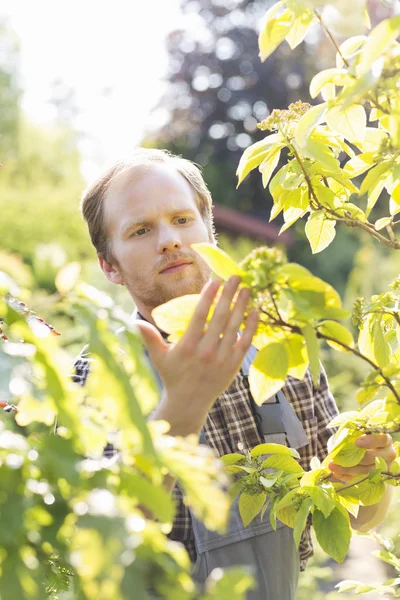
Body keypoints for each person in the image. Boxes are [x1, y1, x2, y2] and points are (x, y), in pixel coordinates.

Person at [80, 148, 395, 599]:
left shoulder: (277, 346)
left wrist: (370, 475)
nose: (169, 239)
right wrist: (180, 415)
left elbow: (354, 515)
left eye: (182, 219)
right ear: (109, 265)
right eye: (141, 229)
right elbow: (97, 551)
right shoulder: (97, 377)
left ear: (209, 229)